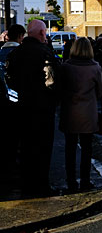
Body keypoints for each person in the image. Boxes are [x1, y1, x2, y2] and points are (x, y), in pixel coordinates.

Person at [5, 20, 60, 196]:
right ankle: (41, 186)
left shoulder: (15, 53)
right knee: (42, 150)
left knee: (26, 149)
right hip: (42, 109)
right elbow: (52, 81)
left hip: (22, 106)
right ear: (43, 33)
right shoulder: (45, 53)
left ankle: (27, 184)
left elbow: (9, 79)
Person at [58, 37, 102, 191]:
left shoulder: (66, 67)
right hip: (87, 112)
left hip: (69, 111)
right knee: (87, 149)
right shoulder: (95, 67)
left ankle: (71, 181)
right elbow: (100, 92)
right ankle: (85, 180)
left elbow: (60, 89)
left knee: (69, 149)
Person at [0, 24, 26, 177]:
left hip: (1, 100)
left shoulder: (1, 52)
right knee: (17, 138)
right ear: (21, 36)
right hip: (18, 101)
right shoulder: (21, 53)